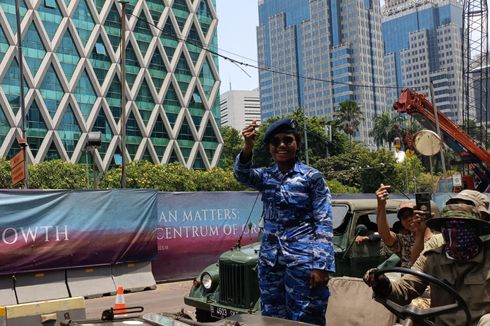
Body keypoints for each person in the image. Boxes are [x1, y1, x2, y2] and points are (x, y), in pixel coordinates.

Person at [233, 118, 334, 326]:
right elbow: (241, 174)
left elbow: (323, 221)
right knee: (271, 318)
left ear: (297, 144)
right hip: (271, 263)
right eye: (275, 142)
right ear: (269, 148)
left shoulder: (311, 177)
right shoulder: (266, 176)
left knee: (307, 317)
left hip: (304, 263)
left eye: (288, 140)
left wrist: (321, 265)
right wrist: (248, 146)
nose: (282, 145)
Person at [364, 203, 490, 326]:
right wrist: (382, 284)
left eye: (461, 226)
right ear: (442, 230)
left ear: (475, 230)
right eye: (448, 226)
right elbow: (405, 288)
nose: (453, 231)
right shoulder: (431, 259)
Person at [375, 184, 435, 268]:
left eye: (412, 213)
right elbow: (385, 236)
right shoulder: (405, 241)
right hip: (407, 279)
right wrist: (381, 204)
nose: (409, 218)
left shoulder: (439, 240)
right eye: (404, 217)